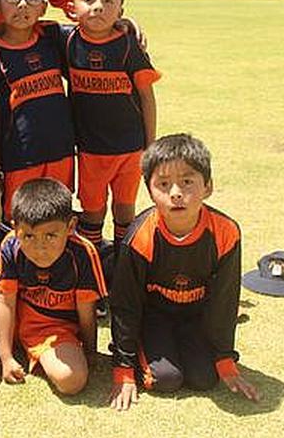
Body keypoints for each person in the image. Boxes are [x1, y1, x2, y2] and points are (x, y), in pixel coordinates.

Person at [108, 134, 260, 411]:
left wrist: (225, 359)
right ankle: (149, 348)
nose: (176, 193)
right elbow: (124, 304)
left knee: (205, 379)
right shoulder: (139, 236)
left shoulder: (226, 232)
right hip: (153, 317)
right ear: (149, 190)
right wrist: (123, 368)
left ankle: (193, 351)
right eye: (163, 184)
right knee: (166, 380)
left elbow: (225, 300)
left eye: (187, 182)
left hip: (195, 317)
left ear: (208, 186)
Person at [0, 178, 106, 397]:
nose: (40, 247)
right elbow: (5, 301)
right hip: (12, 317)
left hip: (52, 331)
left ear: (70, 227)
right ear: (15, 228)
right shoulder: (11, 244)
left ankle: (35, 352)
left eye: (51, 235)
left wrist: (89, 352)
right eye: (29, 236)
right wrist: (6, 358)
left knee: (72, 381)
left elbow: (87, 313)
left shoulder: (83, 253)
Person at [65, 0, 160, 261]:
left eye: (108, 1)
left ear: (121, 9)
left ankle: (123, 261)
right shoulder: (66, 42)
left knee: (124, 207)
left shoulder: (128, 45)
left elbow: (146, 95)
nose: (98, 7)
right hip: (91, 149)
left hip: (130, 148)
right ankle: (92, 263)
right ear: (72, 8)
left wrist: (150, 145)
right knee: (92, 210)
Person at [0, 0, 75, 224]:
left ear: (44, 6)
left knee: (58, 218)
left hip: (61, 150)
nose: (22, 6)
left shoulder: (53, 39)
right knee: (21, 221)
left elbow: (93, 30)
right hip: (20, 157)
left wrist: (123, 22)